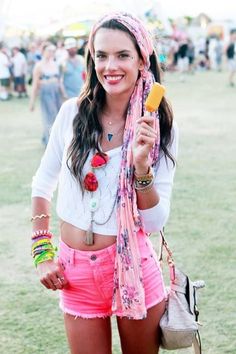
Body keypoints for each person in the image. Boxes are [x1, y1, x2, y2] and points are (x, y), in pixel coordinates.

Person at [31, 12, 178, 354]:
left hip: (133, 269)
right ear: (92, 59)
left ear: (143, 59)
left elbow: (154, 223)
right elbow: (41, 184)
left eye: (123, 55)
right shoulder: (70, 113)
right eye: (101, 55)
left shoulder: (160, 128)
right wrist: (42, 253)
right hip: (74, 274)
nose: (110, 65)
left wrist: (141, 166)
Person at [29, 43, 63, 146]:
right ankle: (50, 143)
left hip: (56, 93)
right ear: (43, 51)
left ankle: (46, 139)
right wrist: (32, 102)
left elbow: (59, 81)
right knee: (49, 118)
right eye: (49, 50)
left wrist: (64, 94)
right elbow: (35, 84)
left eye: (53, 50)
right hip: (46, 93)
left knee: (58, 117)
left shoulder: (56, 64)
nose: (51, 53)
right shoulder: (39, 66)